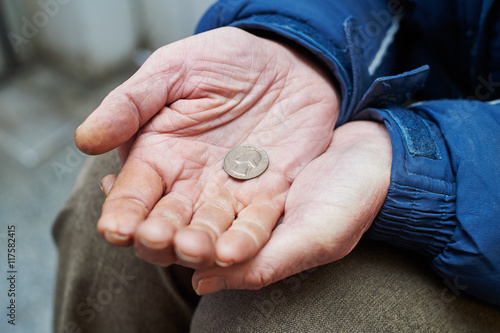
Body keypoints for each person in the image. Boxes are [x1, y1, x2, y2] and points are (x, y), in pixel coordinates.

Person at [53, 0, 500, 332]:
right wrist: (297, 41)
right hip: (383, 91)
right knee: (120, 195)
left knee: (268, 320)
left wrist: (416, 161)